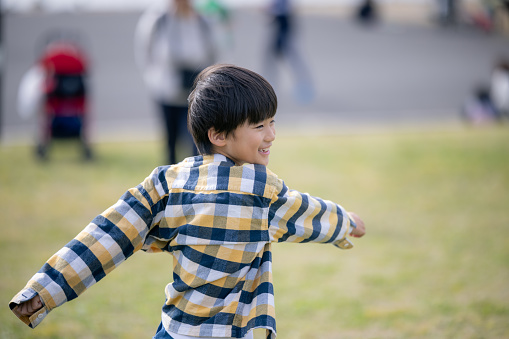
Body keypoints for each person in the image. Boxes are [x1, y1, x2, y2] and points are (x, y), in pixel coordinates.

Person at [10, 64, 366, 339]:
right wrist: (347, 222)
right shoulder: (264, 192)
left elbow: (108, 235)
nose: (272, 134)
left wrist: (45, 289)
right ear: (219, 135)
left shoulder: (167, 183)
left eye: (273, 122)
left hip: (177, 330)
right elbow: (311, 215)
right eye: (259, 126)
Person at [134, 0, 216, 165]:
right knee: (170, 140)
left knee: (197, 139)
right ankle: (171, 181)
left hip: (195, 89)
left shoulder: (203, 20)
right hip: (166, 88)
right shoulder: (158, 19)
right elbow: (145, 51)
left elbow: (214, 51)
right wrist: (153, 79)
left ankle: (196, 177)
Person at [263, 0, 314, 104]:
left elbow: (279, 13)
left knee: (294, 63)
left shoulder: (281, 6)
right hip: (282, 32)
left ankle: (304, 89)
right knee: (290, 63)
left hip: (284, 33)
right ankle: (270, 89)